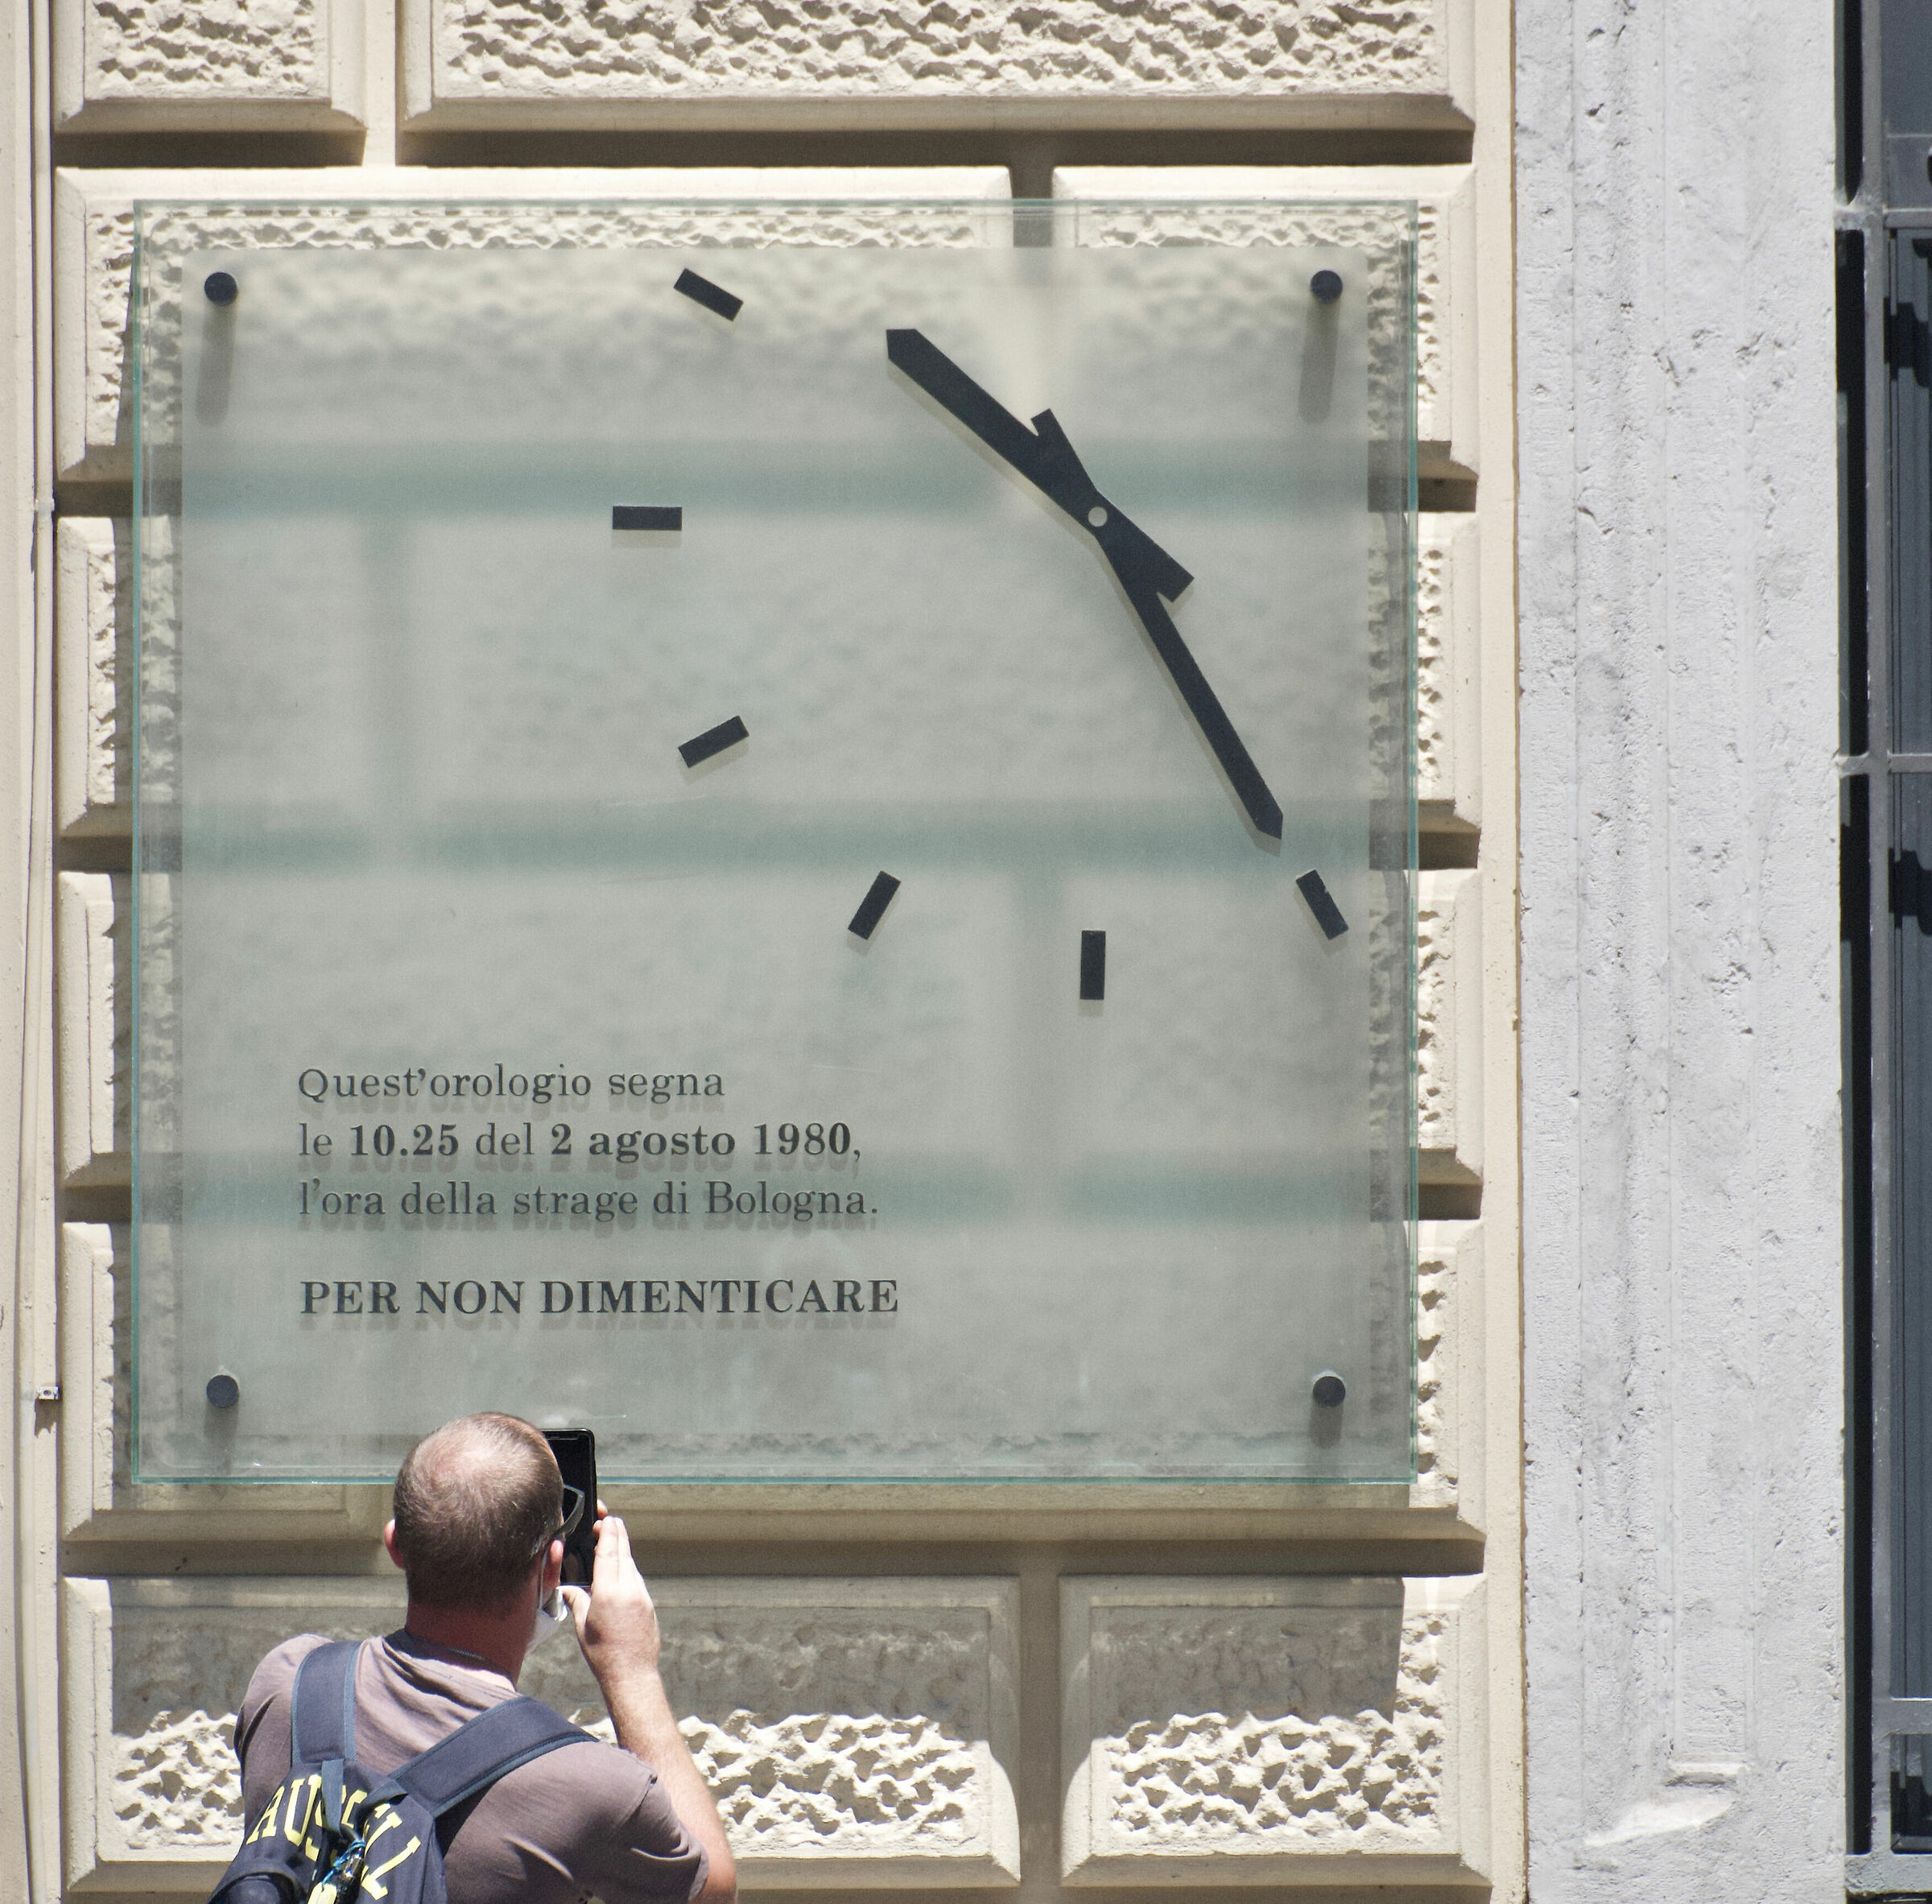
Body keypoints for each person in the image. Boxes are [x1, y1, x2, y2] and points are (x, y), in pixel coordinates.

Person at [233, 1412, 736, 1904]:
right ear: (552, 1567)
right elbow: (712, 1890)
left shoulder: (289, 1683)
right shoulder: (591, 1789)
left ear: (396, 1544)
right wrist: (632, 1672)